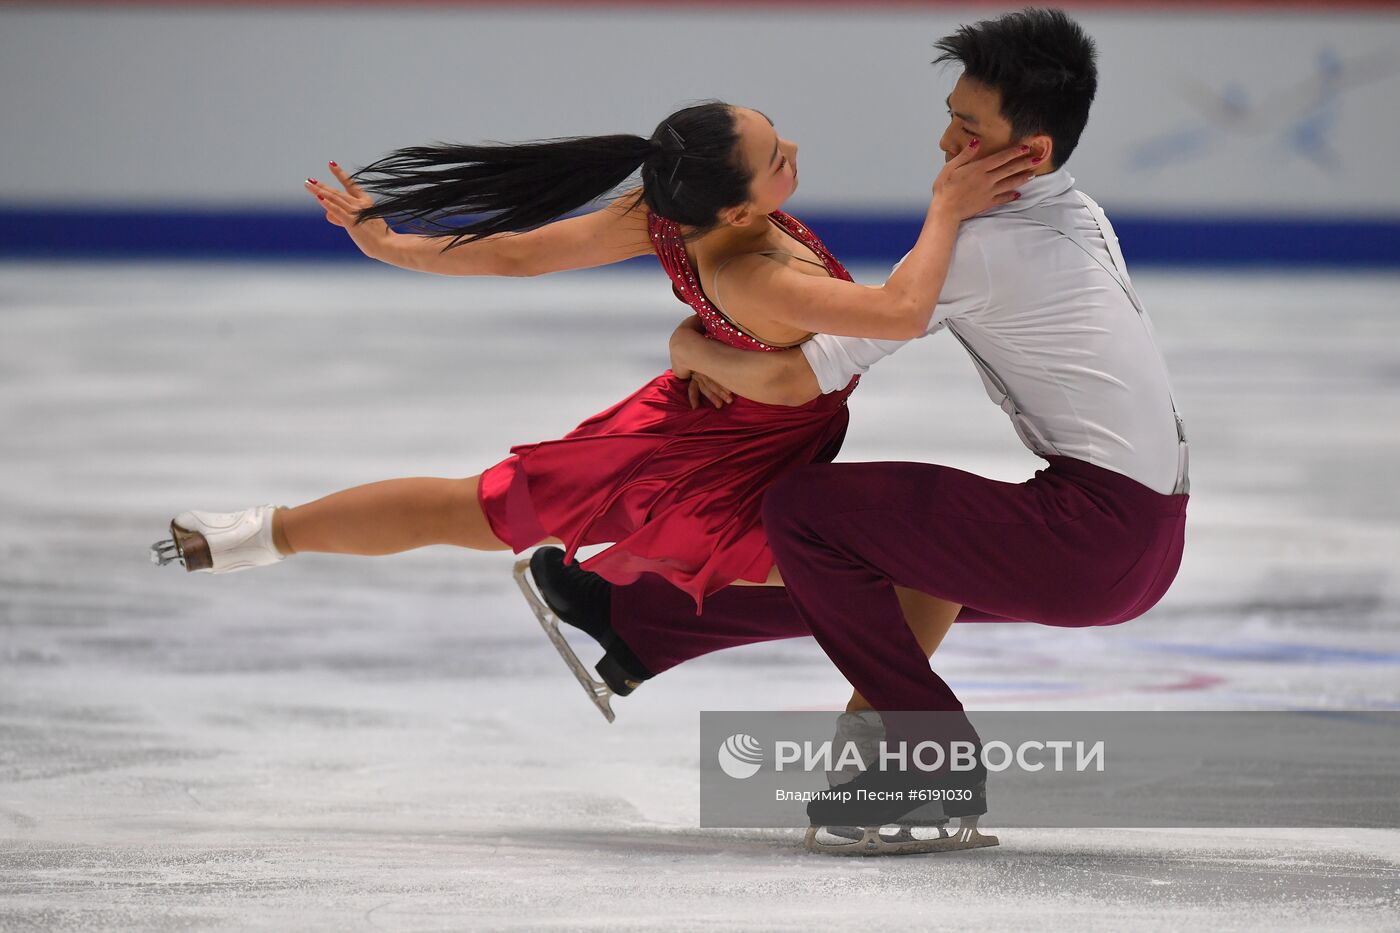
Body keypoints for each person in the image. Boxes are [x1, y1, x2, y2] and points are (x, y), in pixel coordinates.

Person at [528, 8, 1190, 853]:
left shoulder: (985, 248)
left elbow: (800, 375)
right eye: (950, 117)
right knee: (888, 555)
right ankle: (644, 623)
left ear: (1032, 154)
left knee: (807, 509)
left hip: (1094, 535)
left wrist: (690, 346)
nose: (946, 146)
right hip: (1134, 541)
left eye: (968, 130)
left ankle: (930, 760)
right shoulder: (1077, 213)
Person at [149, 102, 1037, 715]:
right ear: (736, 203)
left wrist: (391, 245)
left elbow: (514, 257)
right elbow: (901, 314)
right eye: (777, 157)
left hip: (719, 422)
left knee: (479, 506)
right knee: (483, 507)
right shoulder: (757, 271)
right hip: (706, 457)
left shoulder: (665, 211)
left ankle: (271, 534)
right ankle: (261, 534)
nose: (793, 151)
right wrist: (948, 205)